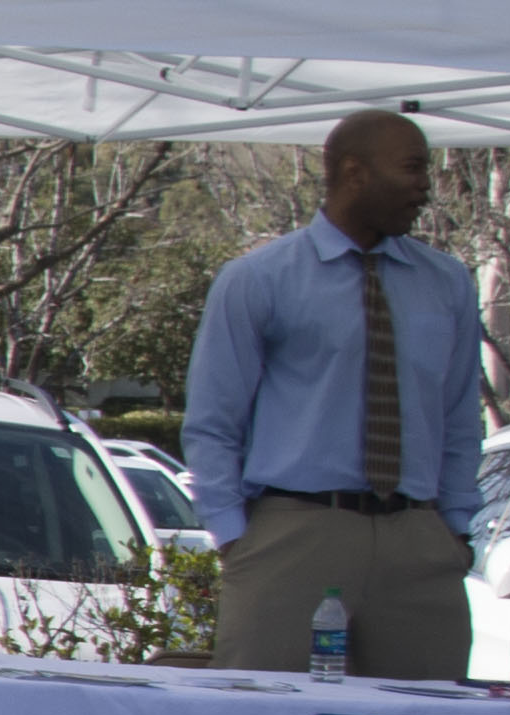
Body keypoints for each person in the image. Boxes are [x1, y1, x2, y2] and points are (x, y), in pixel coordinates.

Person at [184, 111, 481, 676]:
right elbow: (213, 421)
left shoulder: (448, 283)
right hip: (296, 531)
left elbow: (460, 417)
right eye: (413, 168)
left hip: (418, 539)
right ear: (355, 173)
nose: (426, 186)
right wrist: (233, 537)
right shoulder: (260, 278)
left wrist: (456, 531)